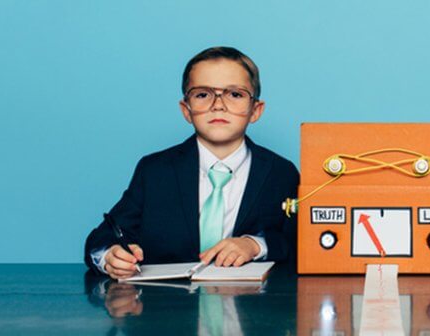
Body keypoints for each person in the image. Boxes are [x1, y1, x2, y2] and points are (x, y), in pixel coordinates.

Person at [84, 46, 299, 279]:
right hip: (170, 306)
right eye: (202, 94)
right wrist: (110, 256)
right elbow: (102, 239)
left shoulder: (281, 172)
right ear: (186, 110)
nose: (218, 105)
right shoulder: (155, 171)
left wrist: (255, 245)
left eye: (235, 94)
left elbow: (298, 241)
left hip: (250, 307)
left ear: (255, 110)